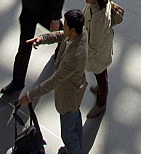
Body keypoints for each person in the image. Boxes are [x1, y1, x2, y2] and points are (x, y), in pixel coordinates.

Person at [17, 9, 88, 154]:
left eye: (66, 25)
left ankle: (73, 151)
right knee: (75, 121)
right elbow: (62, 35)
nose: (63, 27)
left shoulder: (75, 56)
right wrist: (43, 39)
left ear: (73, 30)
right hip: (75, 90)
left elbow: (54, 81)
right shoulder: (80, 33)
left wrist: (30, 95)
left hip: (69, 96)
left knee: (68, 135)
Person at [83, 0, 114, 118]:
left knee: (100, 74)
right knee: (101, 72)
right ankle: (101, 89)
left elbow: (94, 45)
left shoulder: (98, 17)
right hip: (104, 45)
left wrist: (84, 55)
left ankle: (101, 103)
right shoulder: (101, 3)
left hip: (99, 52)